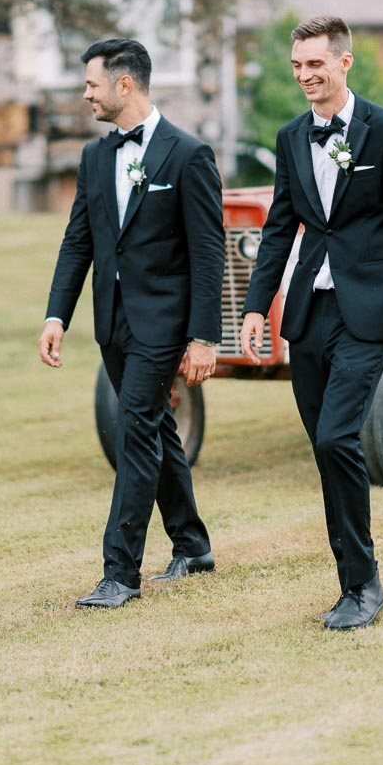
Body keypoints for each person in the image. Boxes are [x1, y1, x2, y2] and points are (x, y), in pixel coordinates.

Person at [238, 16, 383, 630]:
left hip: (370, 311)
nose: (305, 76)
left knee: (335, 438)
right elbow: (279, 229)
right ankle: (351, 582)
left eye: (315, 65)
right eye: (297, 66)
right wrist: (254, 305)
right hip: (309, 313)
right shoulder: (291, 137)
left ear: (344, 63)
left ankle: (365, 584)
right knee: (327, 451)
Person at [39, 38, 224, 609]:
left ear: (125, 85)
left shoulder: (189, 155)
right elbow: (78, 242)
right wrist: (56, 314)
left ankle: (120, 572)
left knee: (134, 432)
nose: (86, 94)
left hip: (164, 324)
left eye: (92, 84)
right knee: (157, 430)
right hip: (112, 325)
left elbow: (208, 253)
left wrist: (203, 336)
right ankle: (193, 545)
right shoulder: (95, 158)